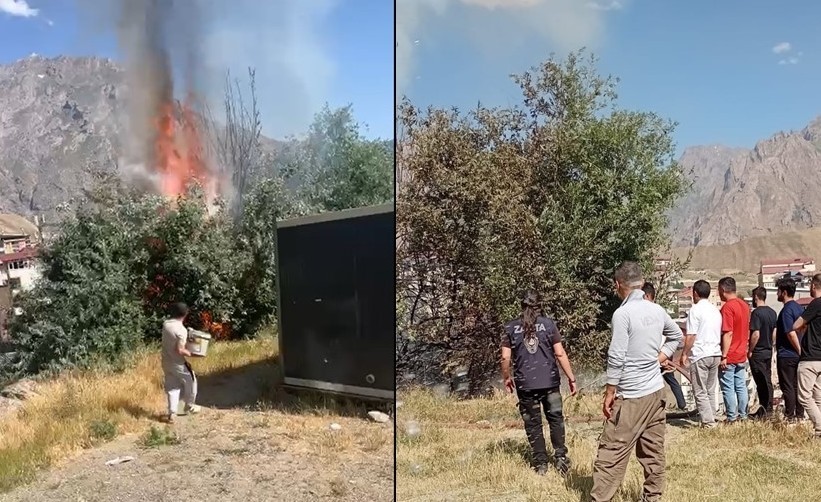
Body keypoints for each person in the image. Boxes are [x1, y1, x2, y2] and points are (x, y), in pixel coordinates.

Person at [591, 262, 683, 502]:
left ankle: (600, 498)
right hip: (656, 393)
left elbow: (617, 355)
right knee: (653, 452)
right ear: (641, 283)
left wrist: (610, 391)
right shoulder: (656, 310)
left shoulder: (622, 314)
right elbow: (676, 336)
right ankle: (652, 497)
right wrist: (659, 358)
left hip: (631, 396)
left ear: (618, 285)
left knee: (611, 453)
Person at [501, 292, 577, 476]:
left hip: (525, 384)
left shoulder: (510, 327)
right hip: (550, 382)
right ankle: (560, 459)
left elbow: (505, 357)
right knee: (555, 420)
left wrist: (506, 377)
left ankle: (541, 463)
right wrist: (571, 378)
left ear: (521, 306)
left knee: (533, 424)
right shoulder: (549, 325)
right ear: (539, 306)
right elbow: (559, 353)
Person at [679, 280, 723, 428]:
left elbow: (691, 335)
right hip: (715, 352)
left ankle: (708, 422)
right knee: (710, 390)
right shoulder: (715, 310)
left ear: (695, 293)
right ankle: (713, 417)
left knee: (699, 391)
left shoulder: (695, 310)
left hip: (701, 354)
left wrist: (684, 353)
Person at [642, 282, 687, 411]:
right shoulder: (655, 312)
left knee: (662, 381)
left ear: (647, 296)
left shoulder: (657, 312)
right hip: (658, 355)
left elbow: (674, 334)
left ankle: (678, 405)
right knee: (667, 381)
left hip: (659, 355)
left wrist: (663, 357)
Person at [716, 277, 751, 422]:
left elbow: (728, 332)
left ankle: (731, 417)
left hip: (730, 354)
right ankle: (743, 415)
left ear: (723, 290)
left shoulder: (728, 308)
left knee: (728, 387)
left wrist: (724, 355)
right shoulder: (744, 305)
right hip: (742, 353)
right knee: (741, 386)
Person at [162, 302, 201, 423]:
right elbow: (180, 350)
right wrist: (192, 353)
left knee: (172, 386)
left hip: (166, 362)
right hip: (178, 363)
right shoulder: (181, 331)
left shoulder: (166, 324)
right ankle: (190, 406)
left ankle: (172, 413)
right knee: (191, 380)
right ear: (186, 314)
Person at [794, 273, 821, 438]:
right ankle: (819, 433)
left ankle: (819, 425)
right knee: (818, 396)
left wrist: (803, 326)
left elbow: (796, 324)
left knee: (804, 396)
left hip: (810, 357)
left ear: (813, 286)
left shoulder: (816, 303)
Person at [775, 277, 805, 423]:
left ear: (784, 292)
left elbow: (790, 333)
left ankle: (790, 416)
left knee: (788, 386)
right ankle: (799, 415)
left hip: (787, 355)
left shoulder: (787, 310)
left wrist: (799, 350)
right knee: (797, 385)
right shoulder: (799, 308)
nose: (777, 294)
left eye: (778, 291)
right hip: (798, 354)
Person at [749, 286, 777, 418]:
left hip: (758, 352)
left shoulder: (756, 313)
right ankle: (767, 407)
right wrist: (771, 345)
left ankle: (765, 409)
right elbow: (774, 333)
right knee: (767, 379)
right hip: (768, 350)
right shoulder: (772, 312)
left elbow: (756, 334)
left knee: (761, 381)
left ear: (756, 297)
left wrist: (750, 350)